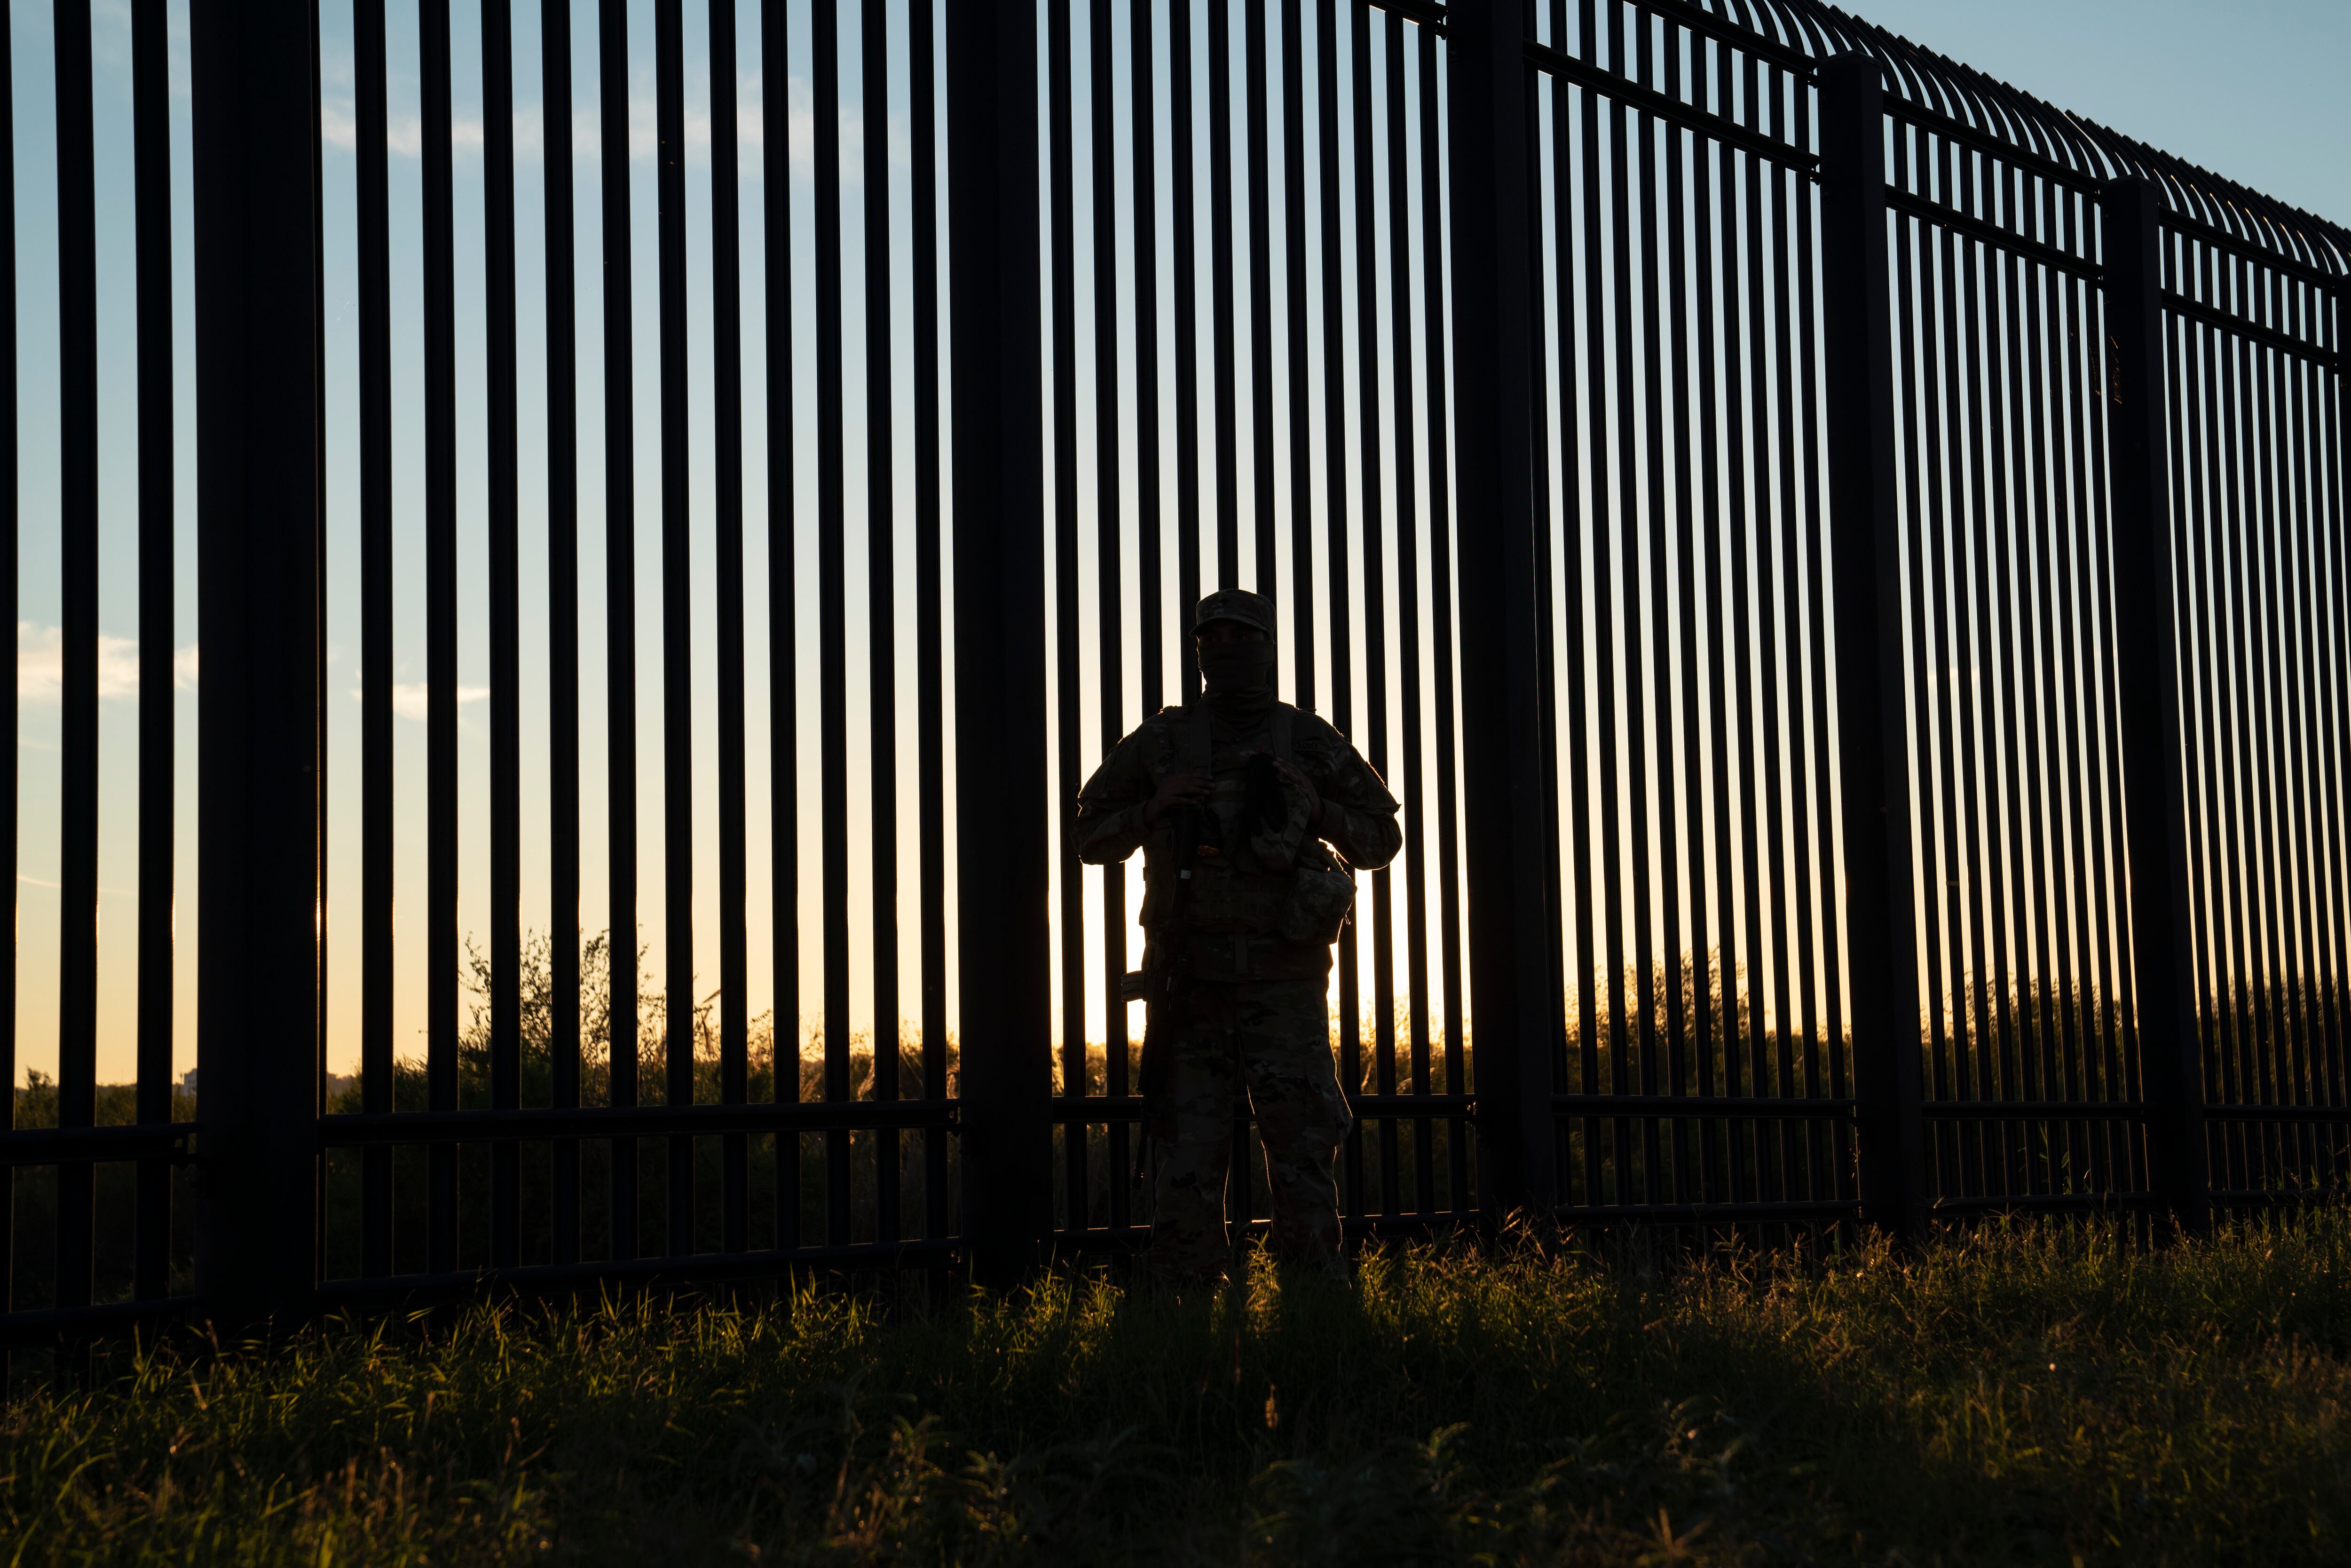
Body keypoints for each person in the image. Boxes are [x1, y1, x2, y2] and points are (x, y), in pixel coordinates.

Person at [1075, 588, 1401, 1284]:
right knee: (1187, 1161)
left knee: (1303, 1153)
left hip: (1285, 985)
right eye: (1212, 638)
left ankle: (1314, 1311)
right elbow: (1087, 836)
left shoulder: (1306, 739)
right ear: (1197, 651)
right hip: (1188, 983)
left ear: (1266, 647)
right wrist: (1152, 808)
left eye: (1240, 637)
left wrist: (1317, 808)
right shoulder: (1162, 741)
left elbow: (1382, 838)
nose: (1226, 650)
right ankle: (1186, 1319)